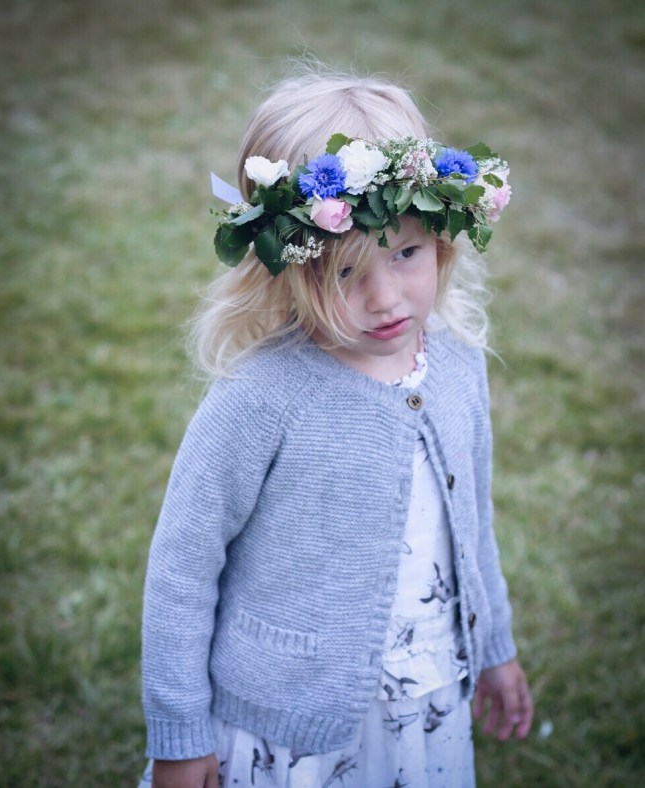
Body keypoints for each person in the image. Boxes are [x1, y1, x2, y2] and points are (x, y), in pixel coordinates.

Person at [139, 66, 533, 788]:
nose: (384, 298)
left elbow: (472, 524)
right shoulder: (260, 397)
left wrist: (494, 648)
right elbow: (181, 570)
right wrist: (179, 735)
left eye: (405, 254)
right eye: (345, 271)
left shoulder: (456, 368)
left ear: (443, 241)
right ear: (288, 265)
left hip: (425, 697)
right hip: (284, 727)